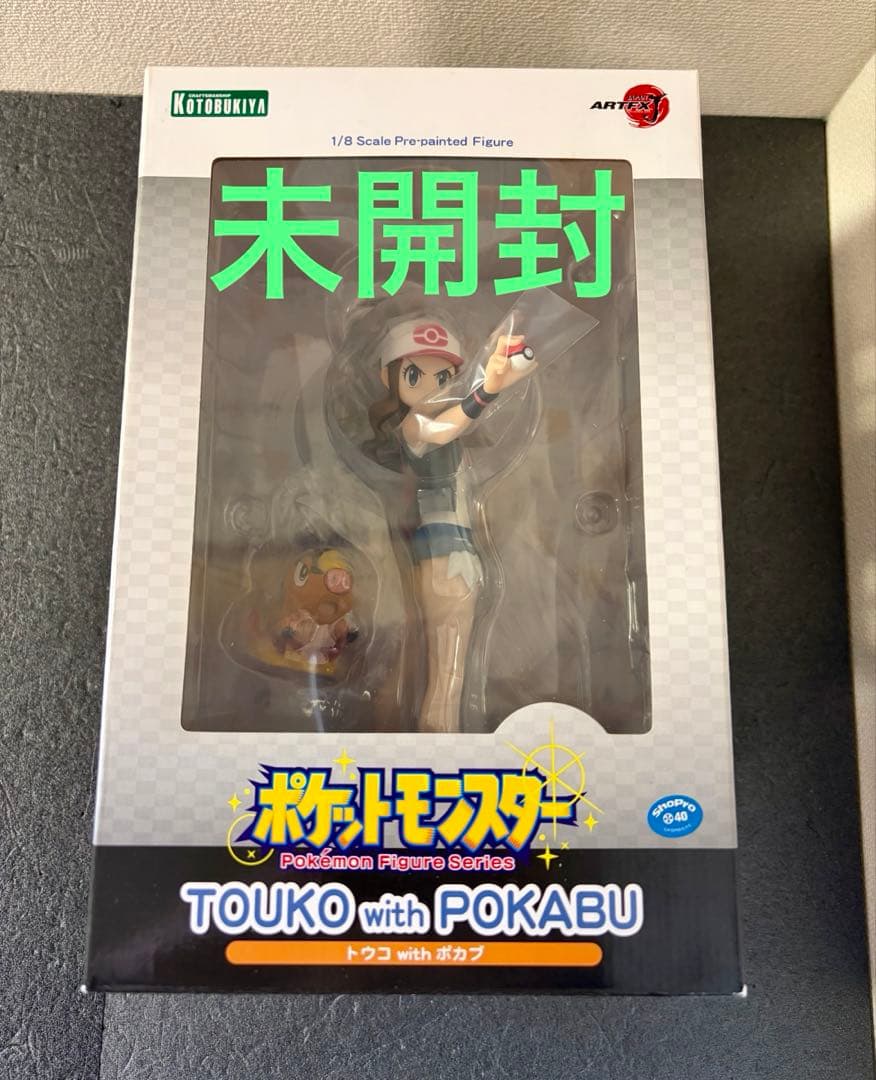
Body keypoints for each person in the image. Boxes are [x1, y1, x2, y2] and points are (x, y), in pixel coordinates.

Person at [367, 317, 536, 732]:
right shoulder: (413, 426)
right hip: (442, 553)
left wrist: (494, 361)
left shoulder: (449, 434)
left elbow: (459, 424)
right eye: (414, 375)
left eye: (443, 377)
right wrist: (490, 387)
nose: (431, 387)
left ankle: (428, 735)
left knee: (444, 668)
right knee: (447, 671)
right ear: (388, 378)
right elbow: (446, 427)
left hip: (452, 550)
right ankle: (440, 741)